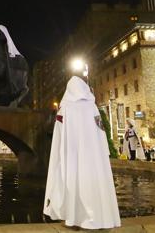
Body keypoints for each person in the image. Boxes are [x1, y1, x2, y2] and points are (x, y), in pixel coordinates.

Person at [44, 76, 120, 229]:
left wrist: (60, 153)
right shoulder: (92, 107)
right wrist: (103, 151)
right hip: (93, 156)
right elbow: (101, 131)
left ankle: (75, 219)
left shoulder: (65, 107)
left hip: (73, 155)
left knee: (73, 184)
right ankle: (100, 219)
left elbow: (59, 134)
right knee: (95, 184)